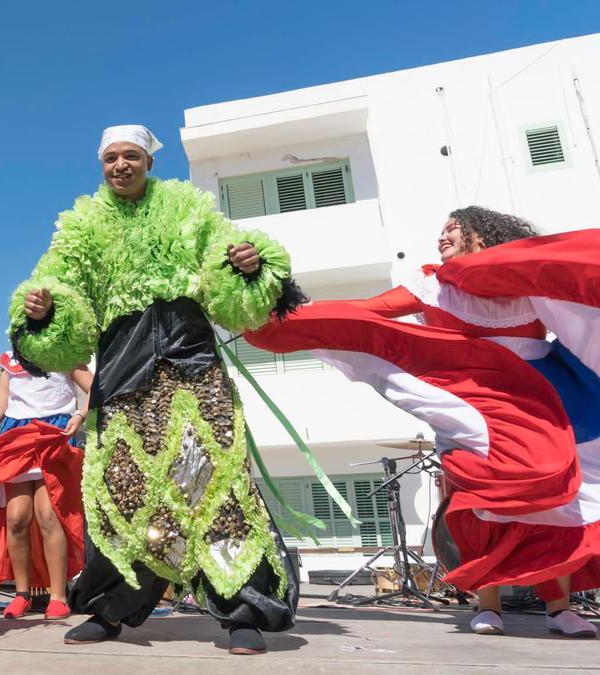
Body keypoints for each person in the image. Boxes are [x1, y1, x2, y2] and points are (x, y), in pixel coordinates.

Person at [8, 125, 300, 654]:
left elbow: (223, 260)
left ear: (148, 161)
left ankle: (242, 612)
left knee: (215, 483)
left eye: (131, 156)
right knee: (121, 489)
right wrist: (44, 307)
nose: (120, 165)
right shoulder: (82, 225)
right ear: (101, 165)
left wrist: (244, 263)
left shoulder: (187, 208)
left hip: (191, 359)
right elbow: (57, 283)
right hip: (122, 369)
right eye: (111, 158)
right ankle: (109, 609)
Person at [247, 208, 600, 638]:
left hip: (541, 397)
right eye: (440, 231)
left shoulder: (527, 276)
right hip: (472, 399)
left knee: (560, 497)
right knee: (484, 500)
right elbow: (370, 310)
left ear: (482, 236)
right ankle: (489, 604)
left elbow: (579, 302)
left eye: (452, 229)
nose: (441, 237)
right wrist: (288, 313)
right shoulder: (435, 285)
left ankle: (559, 609)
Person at [0, 353, 91, 620]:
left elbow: (96, 387)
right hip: (15, 437)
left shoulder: (65, 349)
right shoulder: (9, 360)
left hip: (53, 434)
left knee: (48, 515)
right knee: (16, 518)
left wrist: (79, 416)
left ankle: (58, 596)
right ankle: (22, 593)